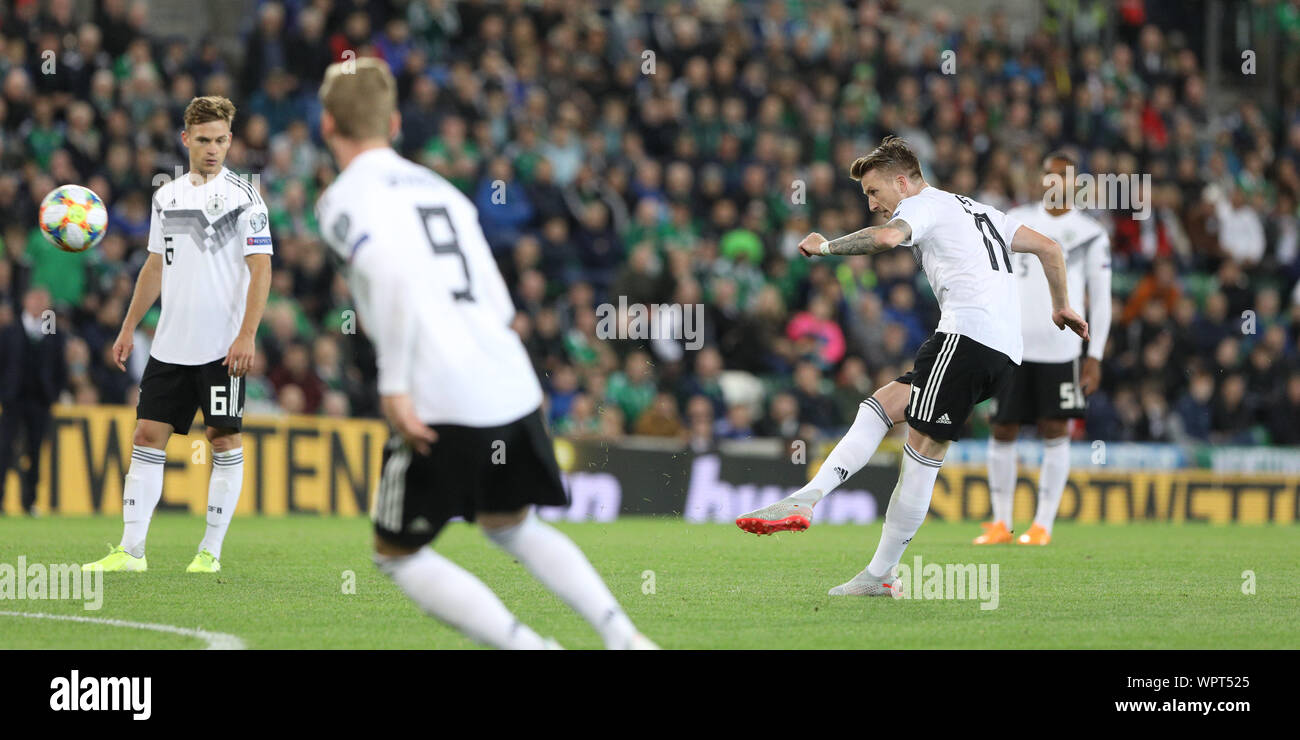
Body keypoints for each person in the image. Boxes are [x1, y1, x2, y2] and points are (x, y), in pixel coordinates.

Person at [314, 58, 654, 649]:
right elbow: (498, 298)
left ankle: (529, 647)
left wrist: (394, 386)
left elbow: (385, 274)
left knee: (395, 553)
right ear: (394, 122)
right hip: (506, 376)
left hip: (440, 393)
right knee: (513, 525)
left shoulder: (343, 198)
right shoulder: (440, 189)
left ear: (326, 126)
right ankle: (624, 638)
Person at [735, 137, 1088, 596]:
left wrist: (825, 248)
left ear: (902, 182)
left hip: (966, 339)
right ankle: (813, 501)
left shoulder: (922, 206)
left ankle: (877, 572)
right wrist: (1060, 306)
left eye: (874, 192)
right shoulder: (975, 209)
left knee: (920, 457)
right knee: (881, 406)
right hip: (1000, 352)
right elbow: (1050, 248)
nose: (872, 203)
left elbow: (885, 238)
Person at [82, 96, 273, 573]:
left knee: (222, 439)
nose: (213, 149)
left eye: (222, 140)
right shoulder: (165, 196)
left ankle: (210, 551)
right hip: (170, 343)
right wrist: (128, 326)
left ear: (231, 140)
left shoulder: (245, 197)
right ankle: (131, 551)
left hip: (222, 345)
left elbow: (262, 268)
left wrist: (247, 335)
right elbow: (153, 265)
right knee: (147, 434)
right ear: (186, 139)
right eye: (204, 140)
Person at [976, 151, 1112, 546]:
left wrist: (1096, 356)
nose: (1054, 183)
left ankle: (1043, 525)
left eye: (1063, 177)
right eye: (1048, 176)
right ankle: (1001, 523)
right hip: (1011, 346)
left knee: (1055, 430)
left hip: (1061, 350)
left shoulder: (1090, 233)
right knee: (1002, 428)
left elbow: (1101, 301)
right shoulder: (1015, 219)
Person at [0, 287, 66, 515]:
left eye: (43, 300)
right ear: (26, 301)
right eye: (35, 299)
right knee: (4, 450)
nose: (39, 304)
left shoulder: (53, 332)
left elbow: (60, 366)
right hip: (13, 400)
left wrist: (54, 393)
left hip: (39, 400)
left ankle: (29, 502)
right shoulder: (9, 331)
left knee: (35, 451)